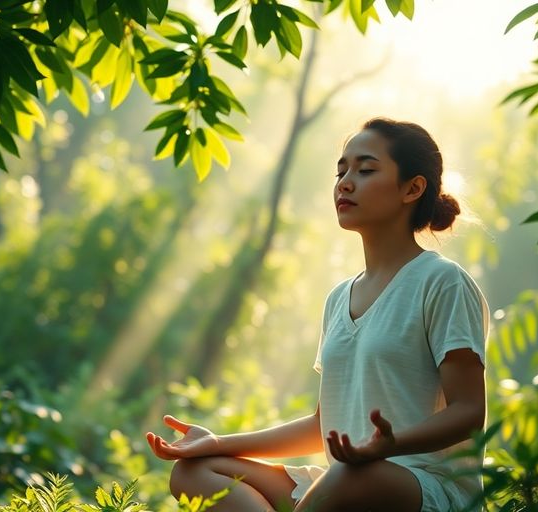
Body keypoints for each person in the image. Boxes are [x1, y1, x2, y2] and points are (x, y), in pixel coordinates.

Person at [144, 118, 489, 511]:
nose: (345, 182)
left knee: (347, 475)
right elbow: (320, 427)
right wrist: (218, 443)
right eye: (341, 170)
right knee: (194, 471)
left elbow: (468, 411)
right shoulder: (339, 297)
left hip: (425, 490)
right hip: (346, 483)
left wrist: (393, 446)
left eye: (366, 169)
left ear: (413, 188)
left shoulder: (442, 282)